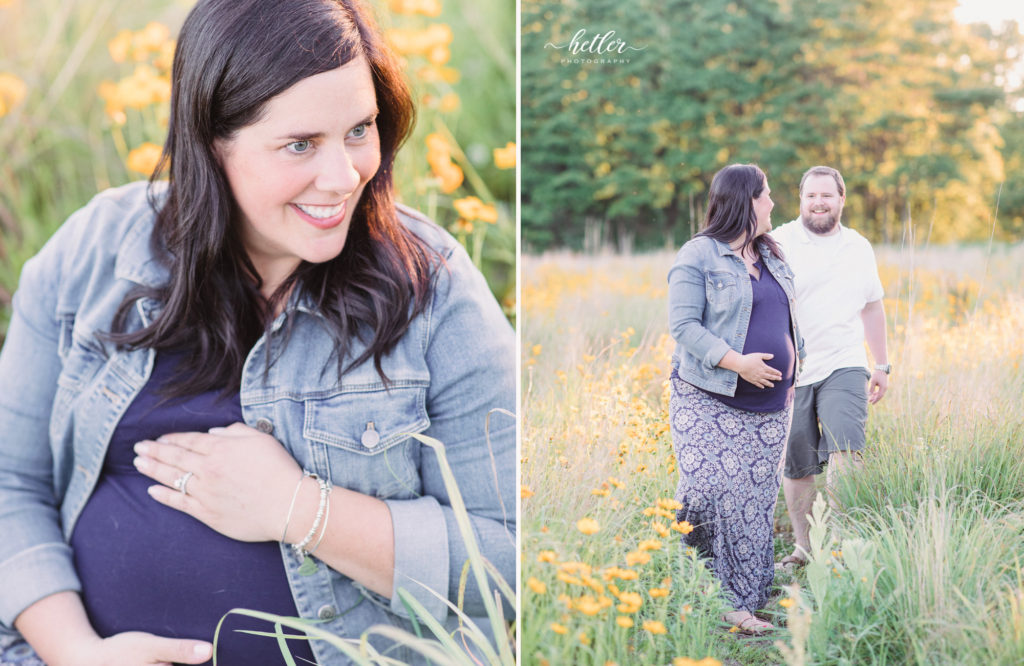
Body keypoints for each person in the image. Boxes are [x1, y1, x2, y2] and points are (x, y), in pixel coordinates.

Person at [0, 1, 516, 664]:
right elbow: (11, 482)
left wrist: (300, 511)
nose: (344, 176)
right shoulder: (95, 253)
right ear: (212, 141)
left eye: (360, 129)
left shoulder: (434, 291)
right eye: (300, 144)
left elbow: (508, 556)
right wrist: (77, 653)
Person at [667, 164, 804, 634]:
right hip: (707, 395)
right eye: (766, 195)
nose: (772, 203)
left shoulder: (771, 254)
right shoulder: (698, 255)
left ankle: (746, 597)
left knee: (754, 500)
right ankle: (704, 590)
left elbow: (786, 318)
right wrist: (737, 362)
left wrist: (794, 366)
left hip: (770, 409)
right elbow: (684, 326)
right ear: (746, 201)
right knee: (707, 489)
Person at [771, 165, 889, 570]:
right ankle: (805, 549)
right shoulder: (778, 241)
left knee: (846, 452)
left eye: (826, 195)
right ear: (800, 200)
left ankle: (839, 544)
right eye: (810, 196)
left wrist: (883, 363)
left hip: (845, 362)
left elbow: (872, 305)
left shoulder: (858, 246)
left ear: (841, 199)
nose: (818, 202)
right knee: (798, 463)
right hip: (792, 369)